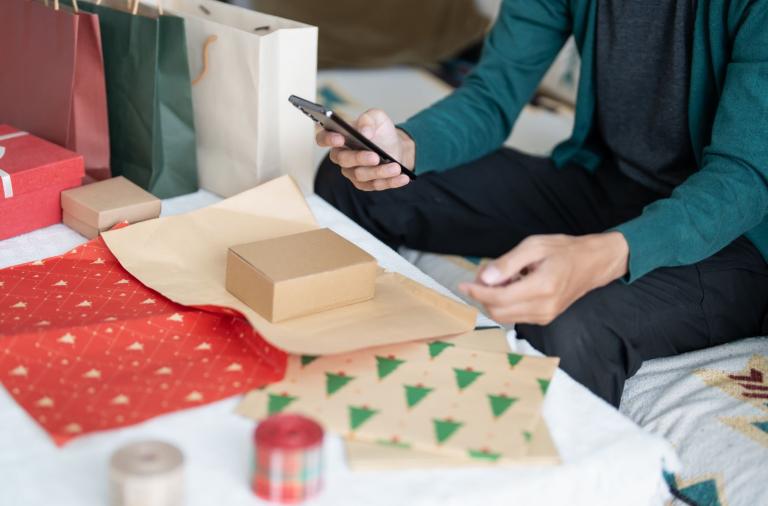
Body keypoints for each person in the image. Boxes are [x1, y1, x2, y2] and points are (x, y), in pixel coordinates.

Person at [314, 0, 768, 406]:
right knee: (351, 181)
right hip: (604, 185)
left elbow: (742, 180)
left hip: (727, 239)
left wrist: (600, 255)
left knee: (567, 326)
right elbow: (491, 96)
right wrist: (407, 146)